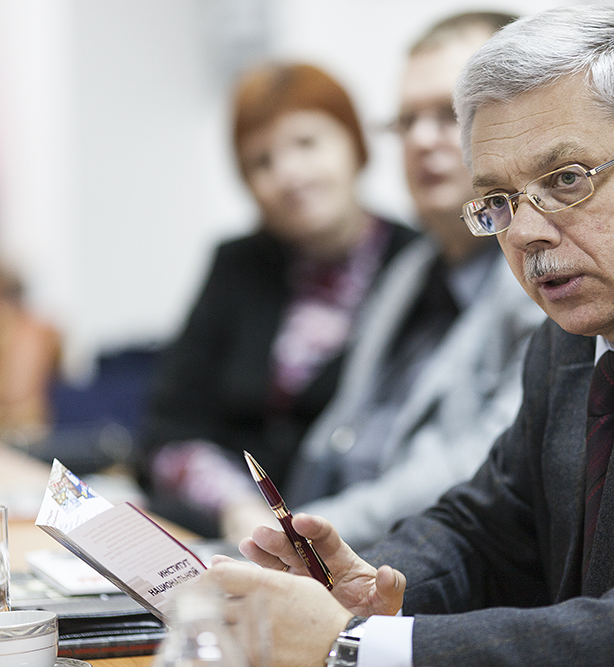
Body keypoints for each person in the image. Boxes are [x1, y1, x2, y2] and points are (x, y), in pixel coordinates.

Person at [205, 6, 614, 667]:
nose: (527, 232)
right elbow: (485, 530)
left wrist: (356, 644)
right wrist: (364, 584)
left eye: (566, 180)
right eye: (499, 200)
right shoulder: (569, 340)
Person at [220, 11, 545, 551]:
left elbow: (486, 464)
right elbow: (335, 436)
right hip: (323, 550)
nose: (420, 140)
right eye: (406, 121)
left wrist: (303, 533)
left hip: (412, 566)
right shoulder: (406, 273)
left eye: (449, 114)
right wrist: (270, 531)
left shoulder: (544, 279)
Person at [135, 63, 417, 538]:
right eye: (262, 162)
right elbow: (169, 430)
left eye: (306, 143)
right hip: (228, 529)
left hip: (362, 536)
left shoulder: (415, 265)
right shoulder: (236, 264)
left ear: (355, 144)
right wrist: (237, 505)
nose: (288, 174)